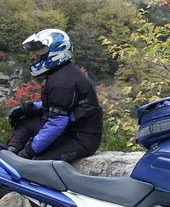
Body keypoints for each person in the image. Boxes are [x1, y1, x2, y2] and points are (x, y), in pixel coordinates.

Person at [6, 29, 103, 162]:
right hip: (71, 130)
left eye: (41, 53)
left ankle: (16, 162)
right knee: (26, 122)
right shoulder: (62, 72)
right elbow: (60, 105)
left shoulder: (62, 82)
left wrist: (27, 152)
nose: (37, 57)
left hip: (80, 139)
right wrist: (29, 107)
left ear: (56, 52)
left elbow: (57, 123)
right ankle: (10, 154)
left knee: (36, 163)